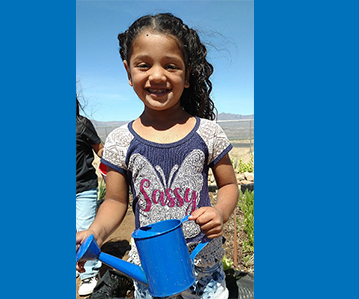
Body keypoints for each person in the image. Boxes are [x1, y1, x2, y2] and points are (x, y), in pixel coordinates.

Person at [76, 13, 239, 299]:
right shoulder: (120, 141)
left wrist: (220, 213)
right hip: (151, 273)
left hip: (204, 266)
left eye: (171, 65)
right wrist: (96, 233)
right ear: (129, 72)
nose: (157, 75)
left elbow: (228, 185)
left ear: (187, 75)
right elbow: (115, 200)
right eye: (143, 65)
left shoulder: (208, 133)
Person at [76, 95, 104, 296]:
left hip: (84, 187)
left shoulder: (81, 124)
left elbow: (99, 148)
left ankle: (90, 273)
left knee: (85, 229)